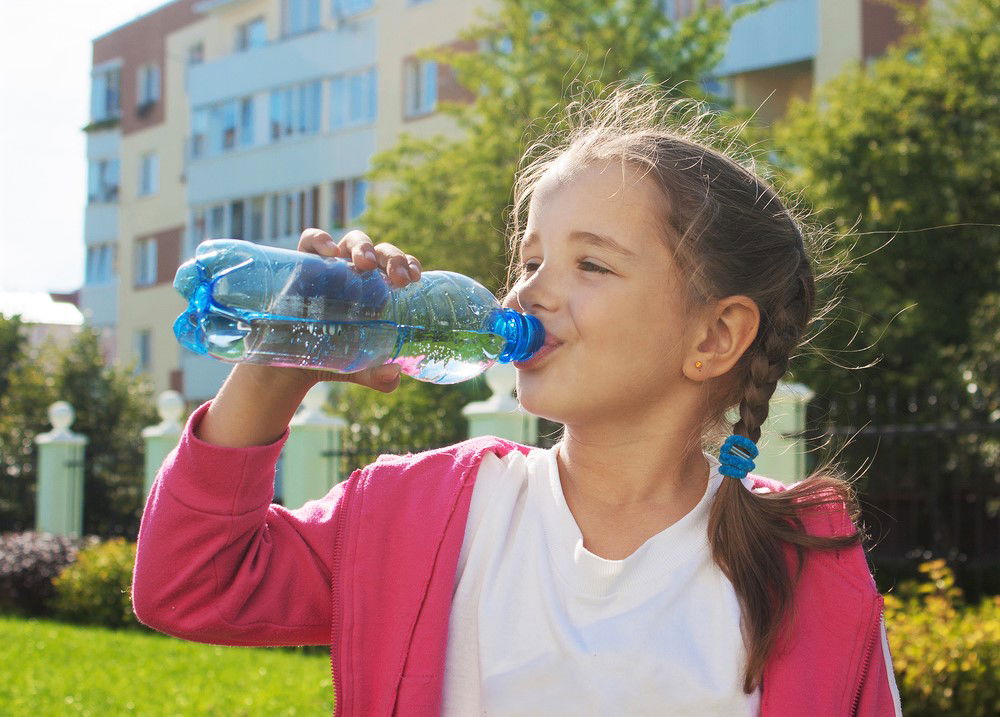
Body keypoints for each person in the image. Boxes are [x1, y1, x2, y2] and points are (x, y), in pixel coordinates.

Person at [132, 88, 902, 716]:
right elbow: (189, 582)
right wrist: (279, 361)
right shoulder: (420, 510)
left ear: (715, 336)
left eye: (590, 263)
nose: (529, 288)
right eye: (530, 257)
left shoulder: (807, 566)